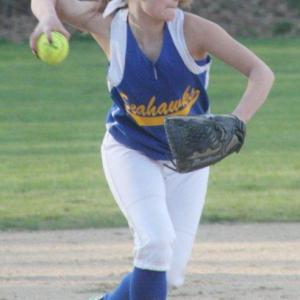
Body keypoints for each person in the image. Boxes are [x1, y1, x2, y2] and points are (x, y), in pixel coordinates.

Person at [30, 1, 275, 299]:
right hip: (132, 150)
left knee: (169, 274)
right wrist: (47, 20)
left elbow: (261, 72)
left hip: (188, 158)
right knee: (155, 243)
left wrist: (238, 121)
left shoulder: (194, 30)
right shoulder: (108, 27)